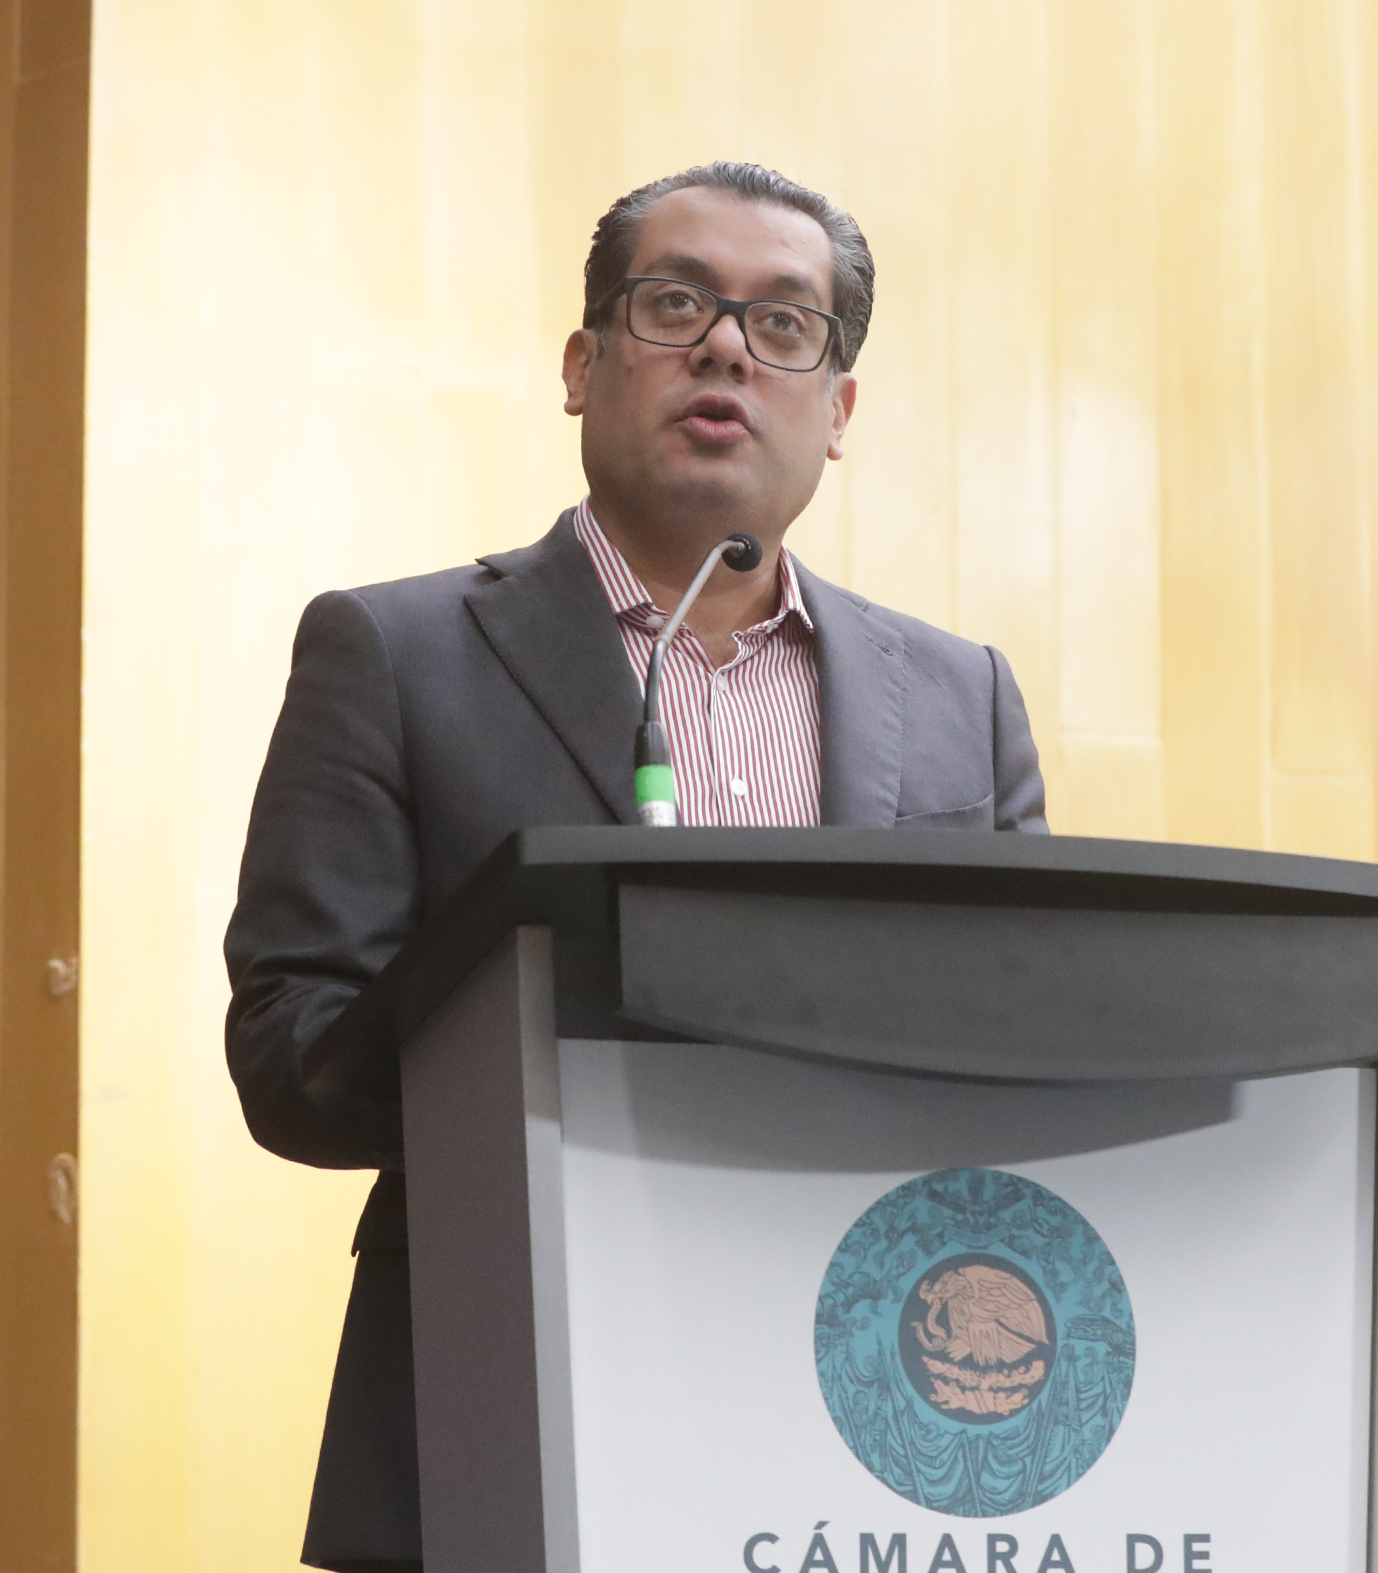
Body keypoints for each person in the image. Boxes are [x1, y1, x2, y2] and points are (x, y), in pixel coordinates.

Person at [224, 162, 1047, 1572]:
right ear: (581, 364)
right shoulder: (393, 656)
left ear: (838, 411)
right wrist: (547, 1043)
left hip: (860, 1427)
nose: (726, 347)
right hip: (502, 1400)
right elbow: (289, 1051)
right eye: (676, 305)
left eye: (783, 323)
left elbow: (1022, 1034)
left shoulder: (959, 697)